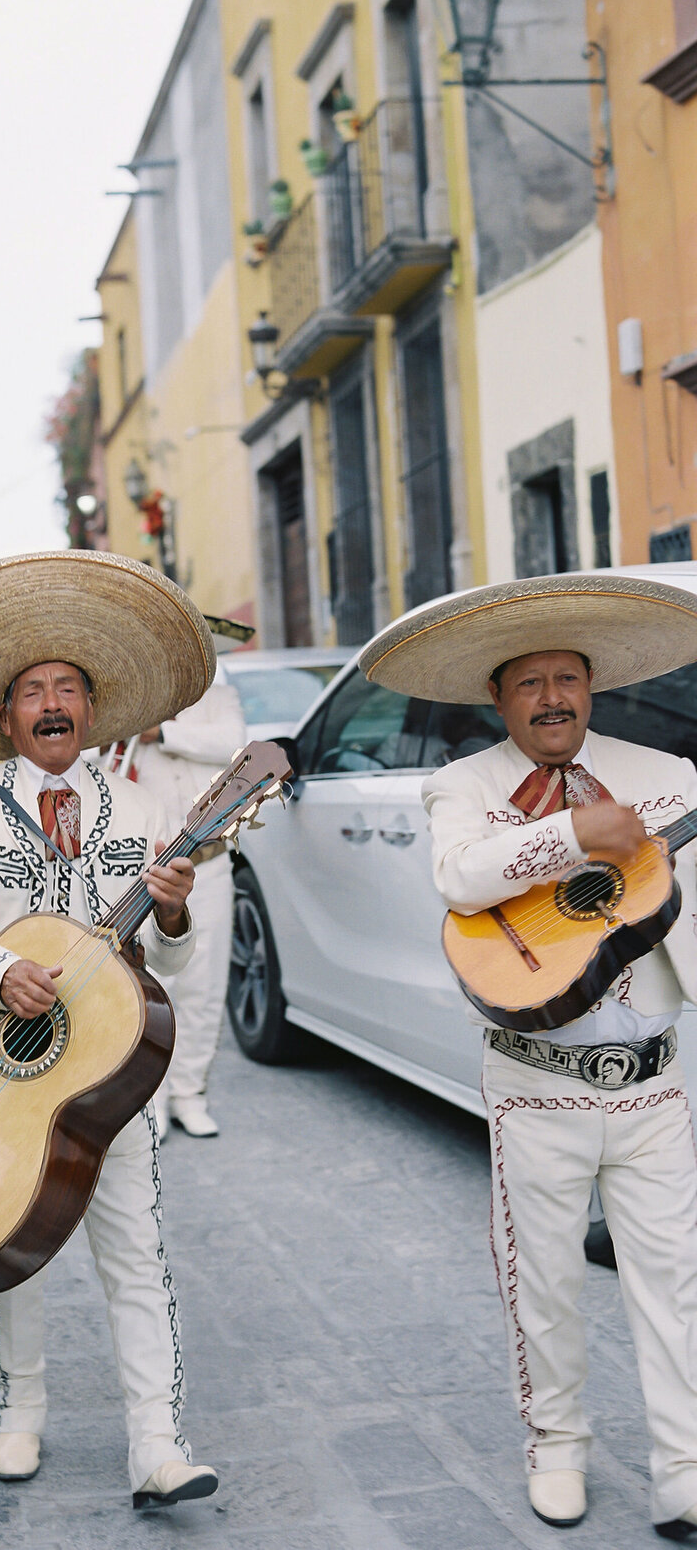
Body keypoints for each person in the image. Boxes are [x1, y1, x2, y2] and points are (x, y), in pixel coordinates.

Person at [359, 571, 697, 1538]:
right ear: (499, 698)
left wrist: (652, 866)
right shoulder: (460, 784)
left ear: (593, 686)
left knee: (673, 1280)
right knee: (542, 1278)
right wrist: (570, 835)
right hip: (535, 1082)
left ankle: (683, 1467)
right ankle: (557, 1445)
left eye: (568, 678)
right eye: (529, 683)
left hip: (650, 1079)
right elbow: (462, 880)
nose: (552, 698)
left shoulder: (670, 777)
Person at [0, 548, 221, 1511]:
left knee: (136, 1247)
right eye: (32, 690)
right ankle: (19, 1410)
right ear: (5, 716)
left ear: (91, 705)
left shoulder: (146, 806)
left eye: (67, 686)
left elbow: (180, 965)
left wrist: (176, 912)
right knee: (12, 1251)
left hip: (116, 1074)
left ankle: (157, 1442)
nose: (51, 703)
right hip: (0, 1060)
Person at [122, 626, 247, 1137]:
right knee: (151, 988)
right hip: (141, 869)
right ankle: (148, 1100)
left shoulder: (220, 699)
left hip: (209, 861)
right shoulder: (126, 702)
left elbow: (234, 745)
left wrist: (164, 734)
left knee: (204, 985)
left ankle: (190, 1094)